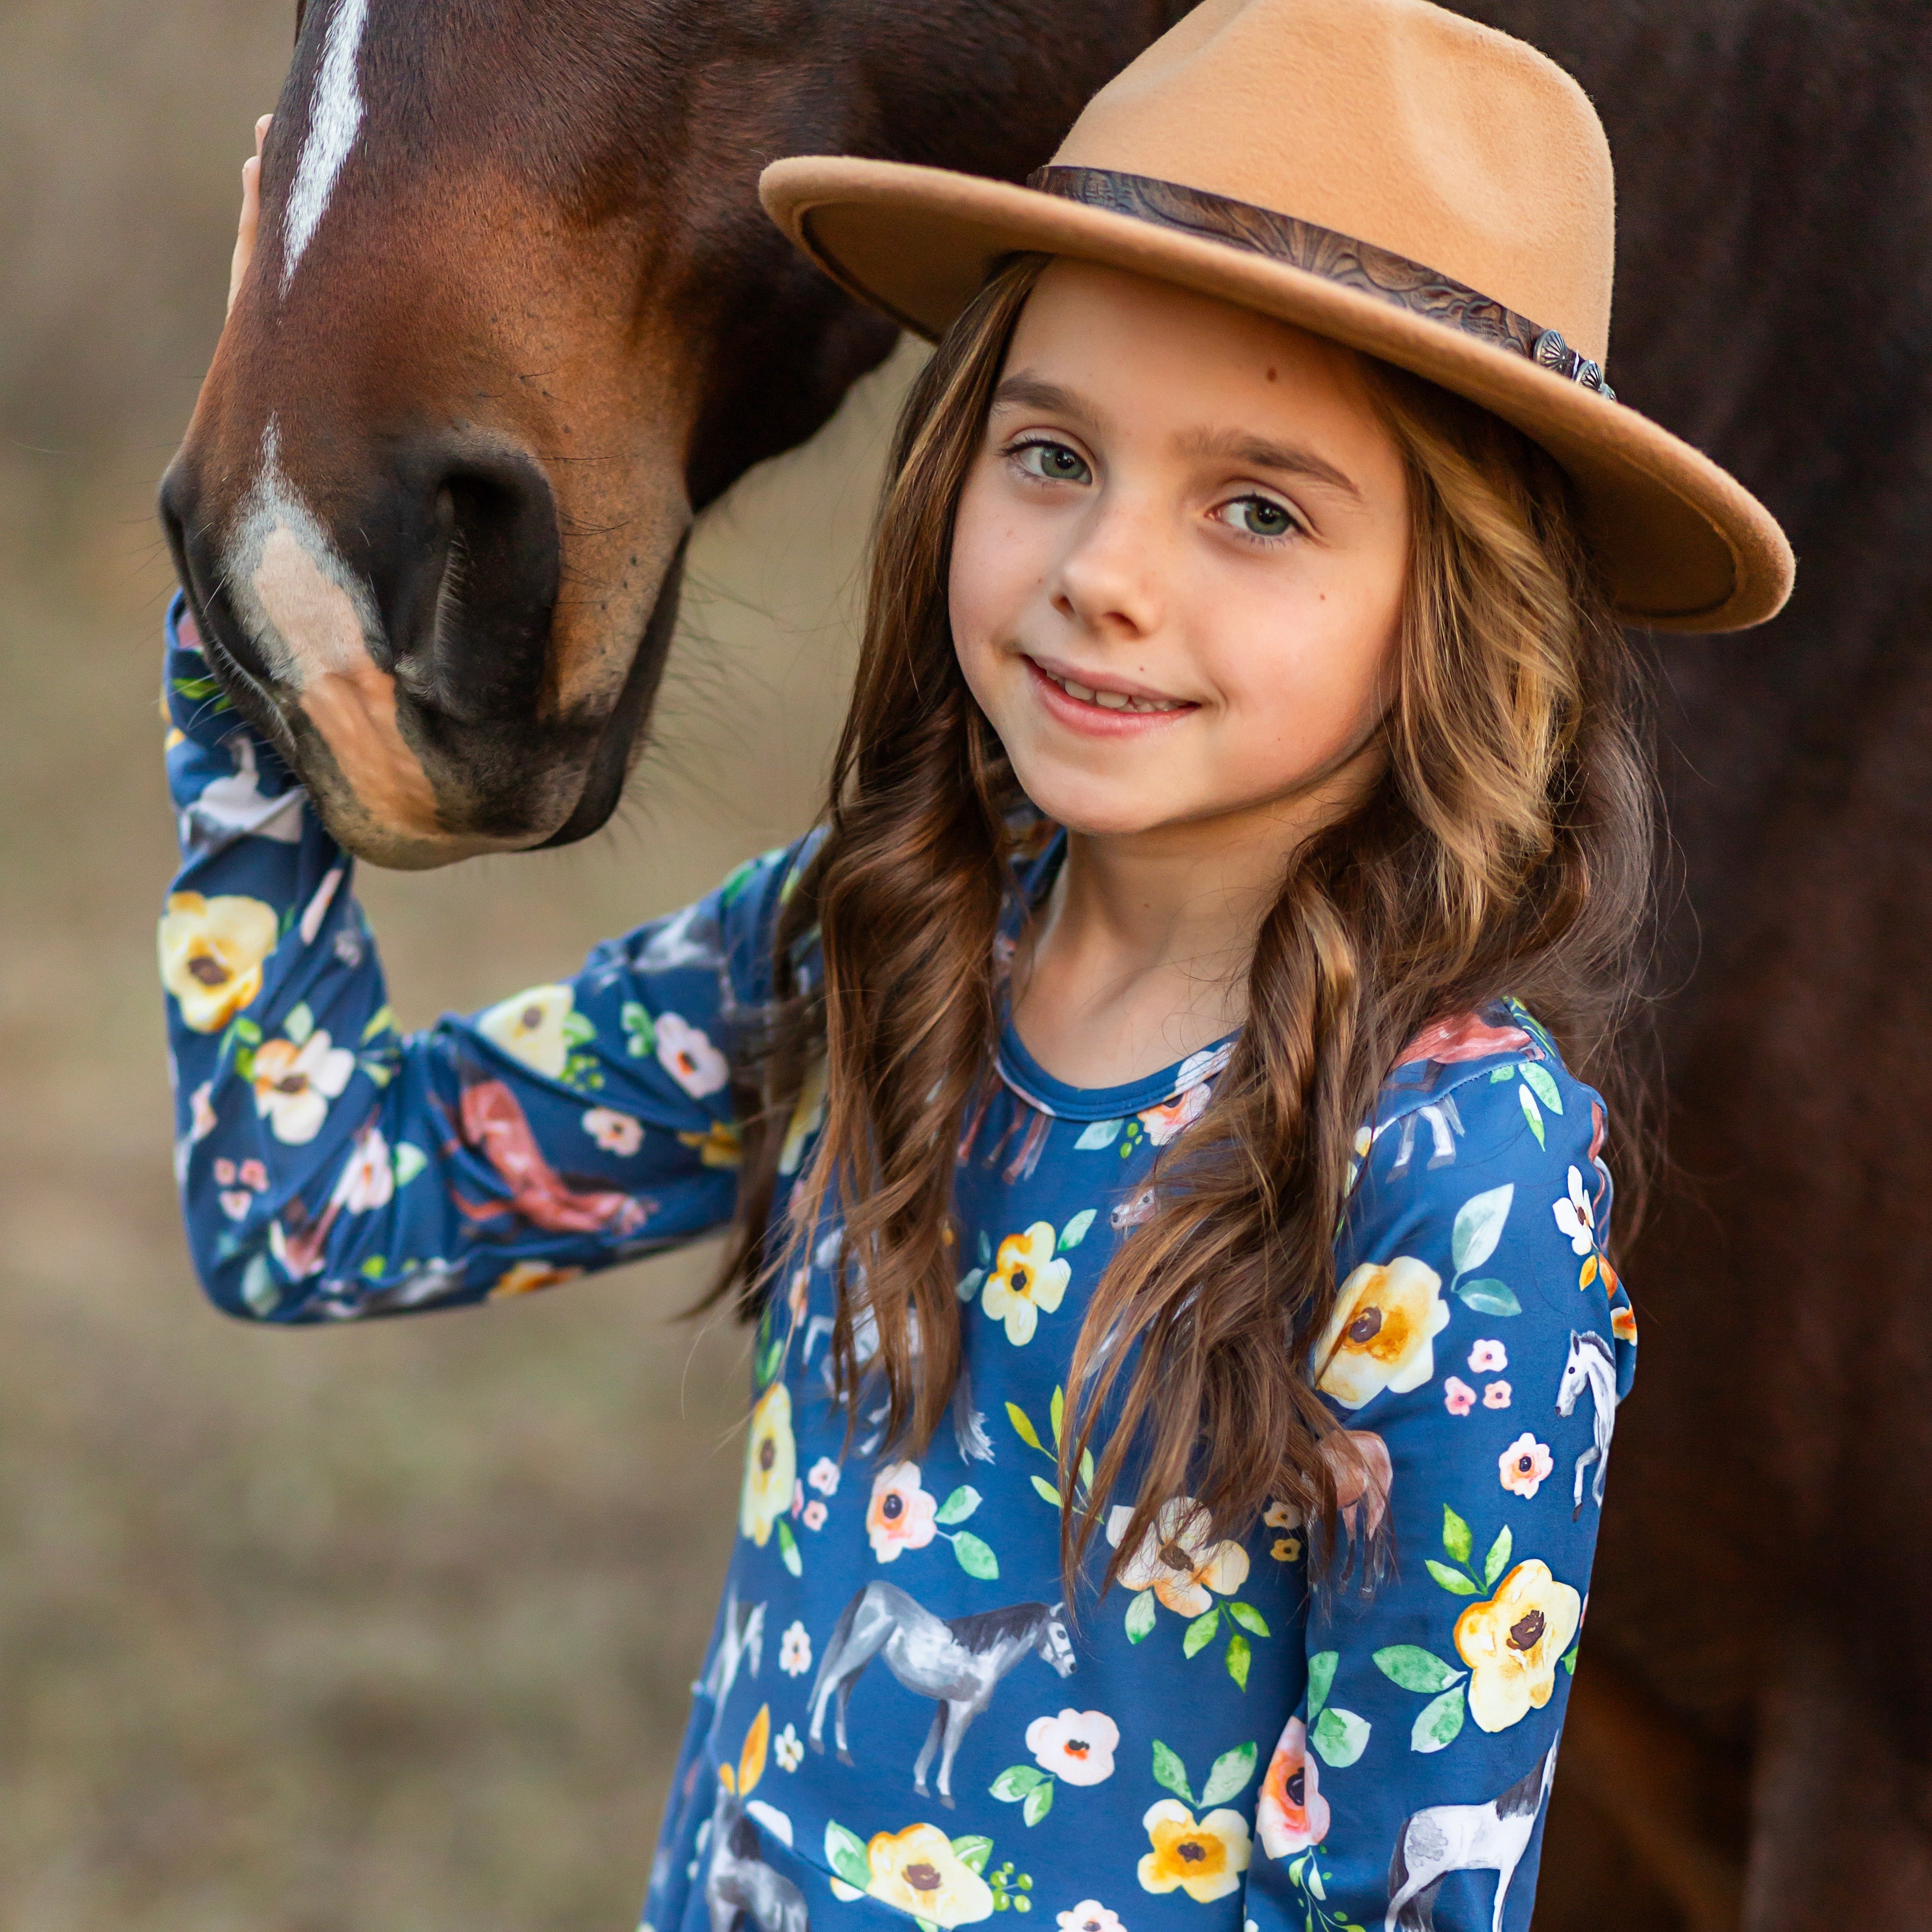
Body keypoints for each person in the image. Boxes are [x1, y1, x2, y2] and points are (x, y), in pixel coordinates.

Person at [157, 0, 1790, 1926]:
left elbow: (1409, 1888)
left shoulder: (1454, 1177)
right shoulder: (864, 939)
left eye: (1255, 506)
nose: (1105, 568)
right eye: (1050, 450)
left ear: (1455, 610)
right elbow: (316, 1202)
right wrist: (264, 563)